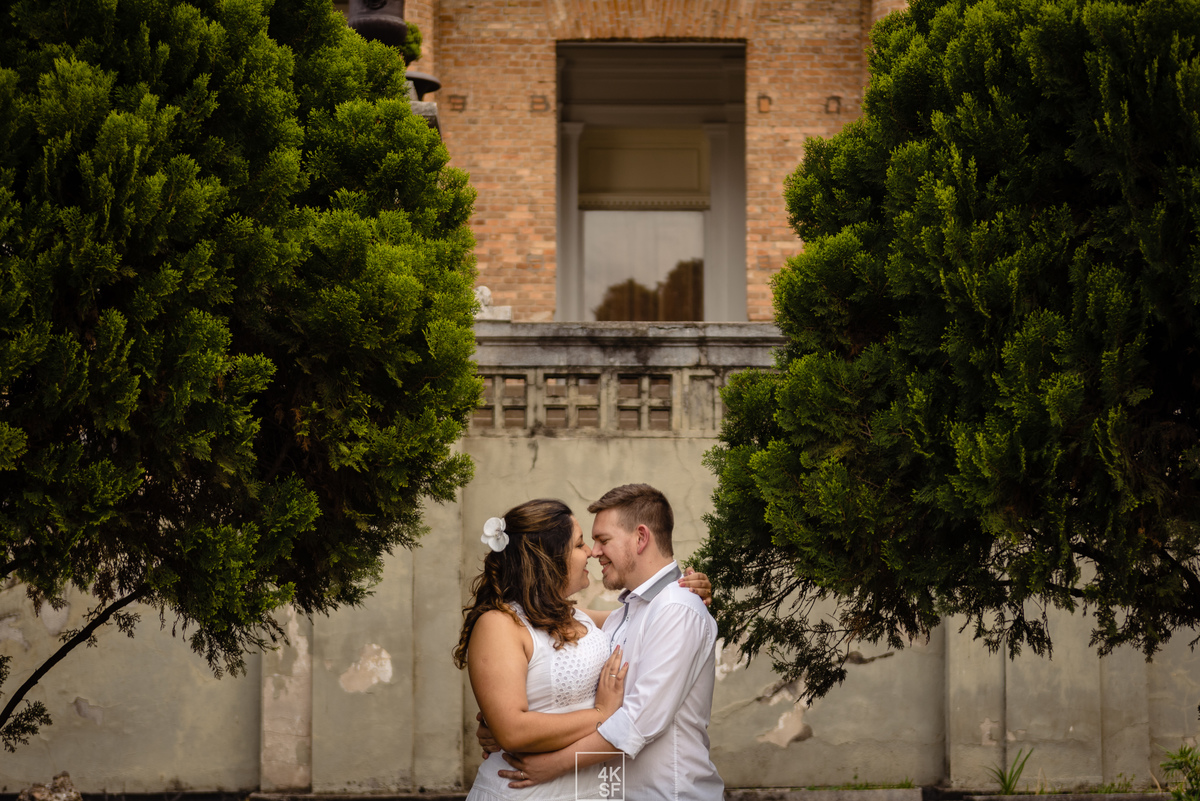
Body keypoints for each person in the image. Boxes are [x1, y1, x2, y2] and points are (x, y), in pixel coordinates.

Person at [454, 497, 711, 801]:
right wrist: (601, 713)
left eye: (600, 540)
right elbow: (512, 730)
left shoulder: (584, 619)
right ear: (549, 557)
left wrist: (689, 588)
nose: (591, 551)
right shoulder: (499, 623)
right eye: (580, 544)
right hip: (523, 789)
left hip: (594, 789)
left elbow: (659, 613)